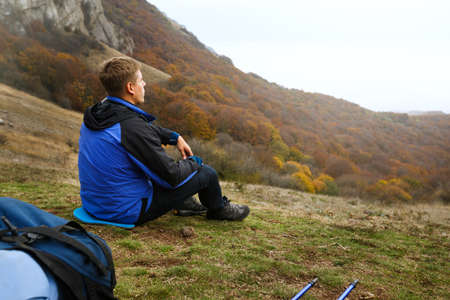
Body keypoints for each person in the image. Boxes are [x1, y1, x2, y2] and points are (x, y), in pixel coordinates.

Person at [78, 57, 249, 225]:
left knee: (151, 165)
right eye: (141, 80)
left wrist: (175, 137)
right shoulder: (131, 127)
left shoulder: (99, 114)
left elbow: (139, 131)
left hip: (94, 205)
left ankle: (184, 203)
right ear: (130, 87)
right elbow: (170, 176)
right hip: (123, 211)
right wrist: (194, 163)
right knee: (207, 174)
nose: (144, 84)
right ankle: (218, 209)